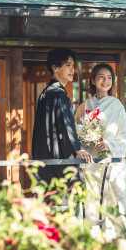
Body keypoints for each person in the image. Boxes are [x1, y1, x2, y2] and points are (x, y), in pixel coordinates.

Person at [75, 63, 126, 241]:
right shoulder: (85, 105)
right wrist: (84, 135)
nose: (105, 81)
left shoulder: (116, 104)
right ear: (93, 80)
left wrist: (110, 144)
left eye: (109, 78)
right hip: (89, 163)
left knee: (115, 199)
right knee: (90, 200)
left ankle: (120, 241)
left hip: (111, 161)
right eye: (101, 77)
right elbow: (75, 127)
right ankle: (92, 240)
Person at [32, 48, 92, 188]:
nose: (72, 69)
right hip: (58, 158)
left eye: (73, 65)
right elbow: (66, 124)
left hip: (45, 156)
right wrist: (78, 149)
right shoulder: (58, 93)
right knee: (65, 200)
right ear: (55, 68)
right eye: (68, 65)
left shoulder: (46, 92)